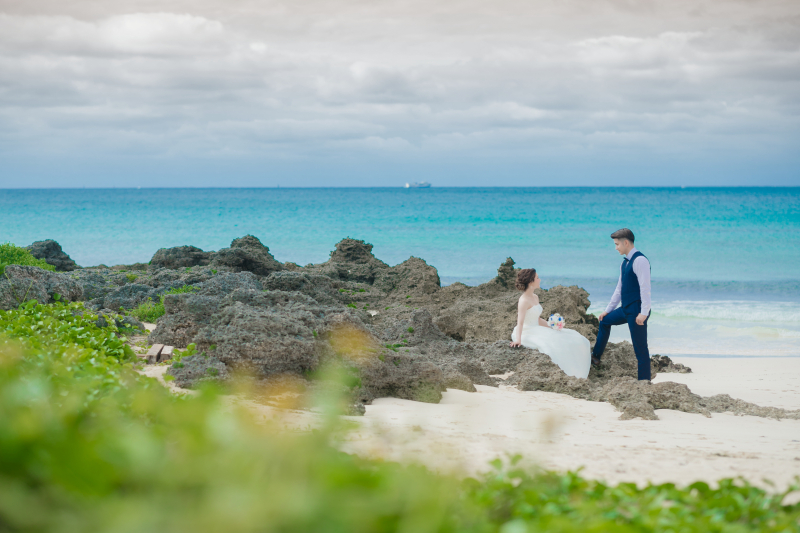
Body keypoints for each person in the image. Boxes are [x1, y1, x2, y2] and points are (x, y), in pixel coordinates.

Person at [592, 228, 652, 381]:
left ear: (626, 242)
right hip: (626, 309)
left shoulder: (640, 260)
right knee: (604, 321)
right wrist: (608, 310)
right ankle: (596, 356)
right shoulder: (624, 263)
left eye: (617, 244)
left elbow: (646, 288)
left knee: (640, 349)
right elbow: (619, 289)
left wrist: (644, 313)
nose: (616, 247)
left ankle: (644, 383)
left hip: (637, 311)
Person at [510, 268, 591, 379]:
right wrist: (518, 340)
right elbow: (520, 323)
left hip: (538, 328)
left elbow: (537, 319)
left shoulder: (535, 297)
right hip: (527, 331)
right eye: (537, 278)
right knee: (554, 345)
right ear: (530, 282)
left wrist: (552, 326)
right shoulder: (523, 301)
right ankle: (567, 373)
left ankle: (575, 371)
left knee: (574, 338)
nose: (540, 279)